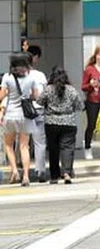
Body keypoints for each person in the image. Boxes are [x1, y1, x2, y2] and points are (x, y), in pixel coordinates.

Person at [38, 67, 84, 185]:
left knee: (53, 149)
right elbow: (80, 106)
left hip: (51, 123)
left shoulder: (48, 89)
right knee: (67, 148)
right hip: (69, 123)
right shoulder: (71, 90)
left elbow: (39, 102)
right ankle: (67, 172)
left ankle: (54, 176)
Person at [0, 53, 40, 186]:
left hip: (10, 115)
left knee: (8, 145)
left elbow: (2, 95)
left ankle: (15, 171)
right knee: (24, 146)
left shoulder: (7, 77)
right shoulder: (31, 78)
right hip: (25, 116)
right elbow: (36, 96)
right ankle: (26, 176)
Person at [26, 45, 48, 182]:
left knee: (23, 143)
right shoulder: (40, 75)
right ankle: (40, 170)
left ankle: (22, 169)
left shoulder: (20, 75)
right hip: (38, 110)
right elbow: (44, 94)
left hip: (24, 110)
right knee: (40, 142)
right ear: (35, 58)